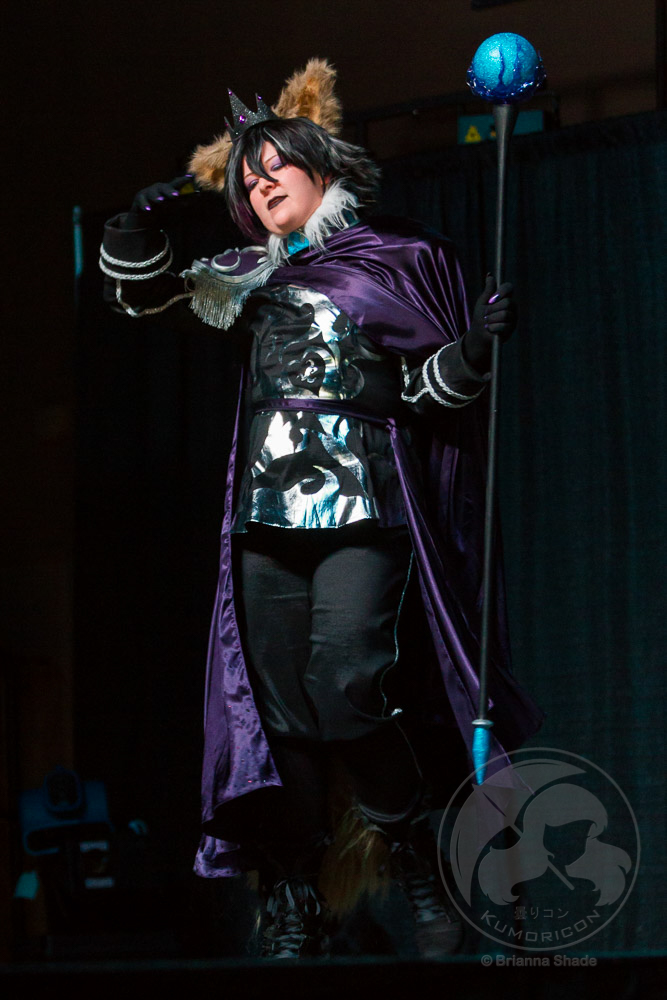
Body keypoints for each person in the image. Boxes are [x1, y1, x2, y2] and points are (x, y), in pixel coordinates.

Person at [100, 59, 543, 959]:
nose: (261, 186)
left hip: (363, 506)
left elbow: (426, 395)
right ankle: (295, 892)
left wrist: (469, 349)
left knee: (345, 684)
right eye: (247, 181)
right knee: (279, 716)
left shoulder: (399, 258)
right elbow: (144, 295)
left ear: (321, 166)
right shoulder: (246, 278)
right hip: (265, 522)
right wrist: (134, 225)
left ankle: (414, 852)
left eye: (276, 167)